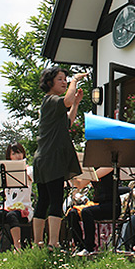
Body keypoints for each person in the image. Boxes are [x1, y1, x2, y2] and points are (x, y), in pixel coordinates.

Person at [33, 67, 86, 250]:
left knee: (44, 200)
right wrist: (74, 81)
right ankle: (53, 243)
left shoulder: (51, 105)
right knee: (55, 199)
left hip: (43, 158)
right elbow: (67, 100)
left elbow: (68, 123)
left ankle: (37, 243)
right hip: (51, 158)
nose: (64, 82)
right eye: (60, 79)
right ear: (50, 83)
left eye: (65, 79)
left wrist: (76, 104)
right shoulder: (51, 100)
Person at [0, 144, 33, 257]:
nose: (17, 156)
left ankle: (17, 248)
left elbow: (31, 177)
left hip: (24, 208)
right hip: (8, 206)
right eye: (13, 154)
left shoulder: (29, 169)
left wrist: (20, 169)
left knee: (12, 215)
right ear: (9, 157)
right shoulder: (5, 173)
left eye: (19, 152)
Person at [67, 167, 119, 255]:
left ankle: (89, 248)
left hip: (111, 206)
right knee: (72, 213)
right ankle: (79, 247)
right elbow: (80, 184)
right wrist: (69, 175)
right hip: (97, 204)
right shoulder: (92, 171)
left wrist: (80, 172)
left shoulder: (110, 165)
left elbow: (95, 175)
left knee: (86, 212)